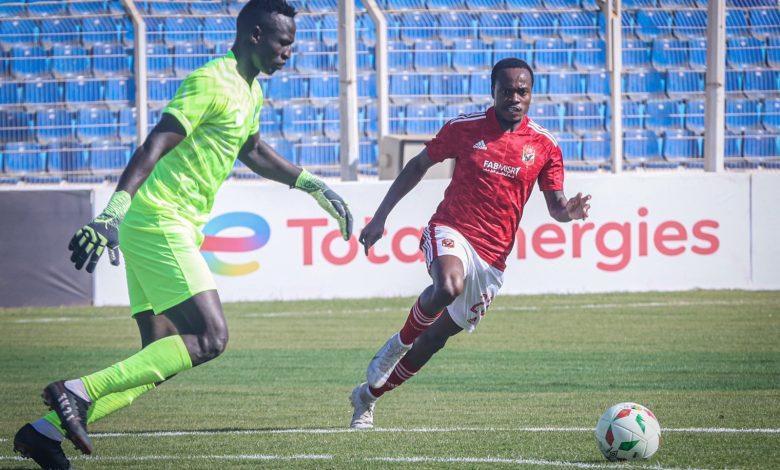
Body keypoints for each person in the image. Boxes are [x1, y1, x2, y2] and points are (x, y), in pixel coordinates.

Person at [13, 1, 353, 468]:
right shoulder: (211, 80)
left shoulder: (250, 90)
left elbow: (250, 149)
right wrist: (113, 211)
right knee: (210, 337)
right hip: (158, 219)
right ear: (255, 35)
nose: (289, 51)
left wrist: (310, 182)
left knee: (161, 357)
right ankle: (74, 391)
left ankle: (42, 433)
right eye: (283, 42)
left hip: (165, 225)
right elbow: (156, 141)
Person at [349, 58, 591, 429]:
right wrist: (380, 217)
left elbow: (555, 205)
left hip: (493, 259)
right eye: (506, 90)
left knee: (433, 341)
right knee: (447, 286)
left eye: (522, 91)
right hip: (452, 228)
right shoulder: (464, 129)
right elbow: (417, 165)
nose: (514, 97)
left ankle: (367, 397)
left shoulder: (544, 145)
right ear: (492, 91)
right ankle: (396, 344)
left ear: (531, 95)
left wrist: (568, 212)